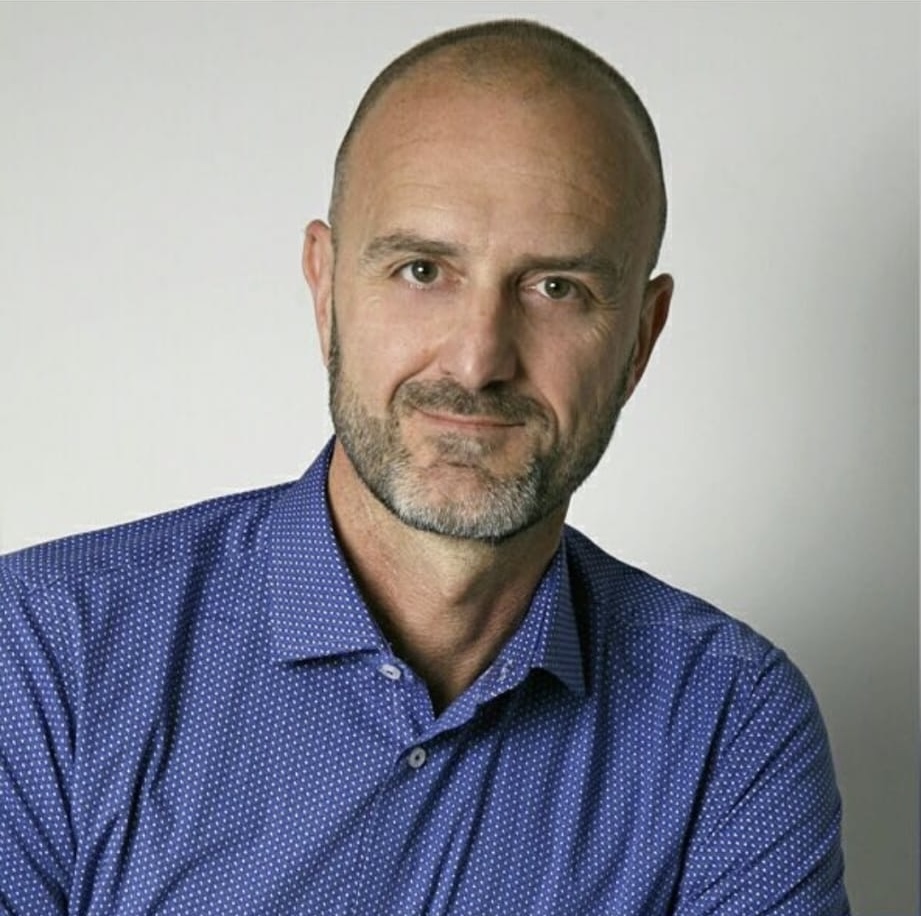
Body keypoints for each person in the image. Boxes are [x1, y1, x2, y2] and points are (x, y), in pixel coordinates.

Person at [0, 18, 849, 915]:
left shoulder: (726, 722)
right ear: (325, 288)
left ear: (639, 338)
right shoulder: (43, 655)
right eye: (420, 270)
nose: (478, 360)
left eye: (555, 287)